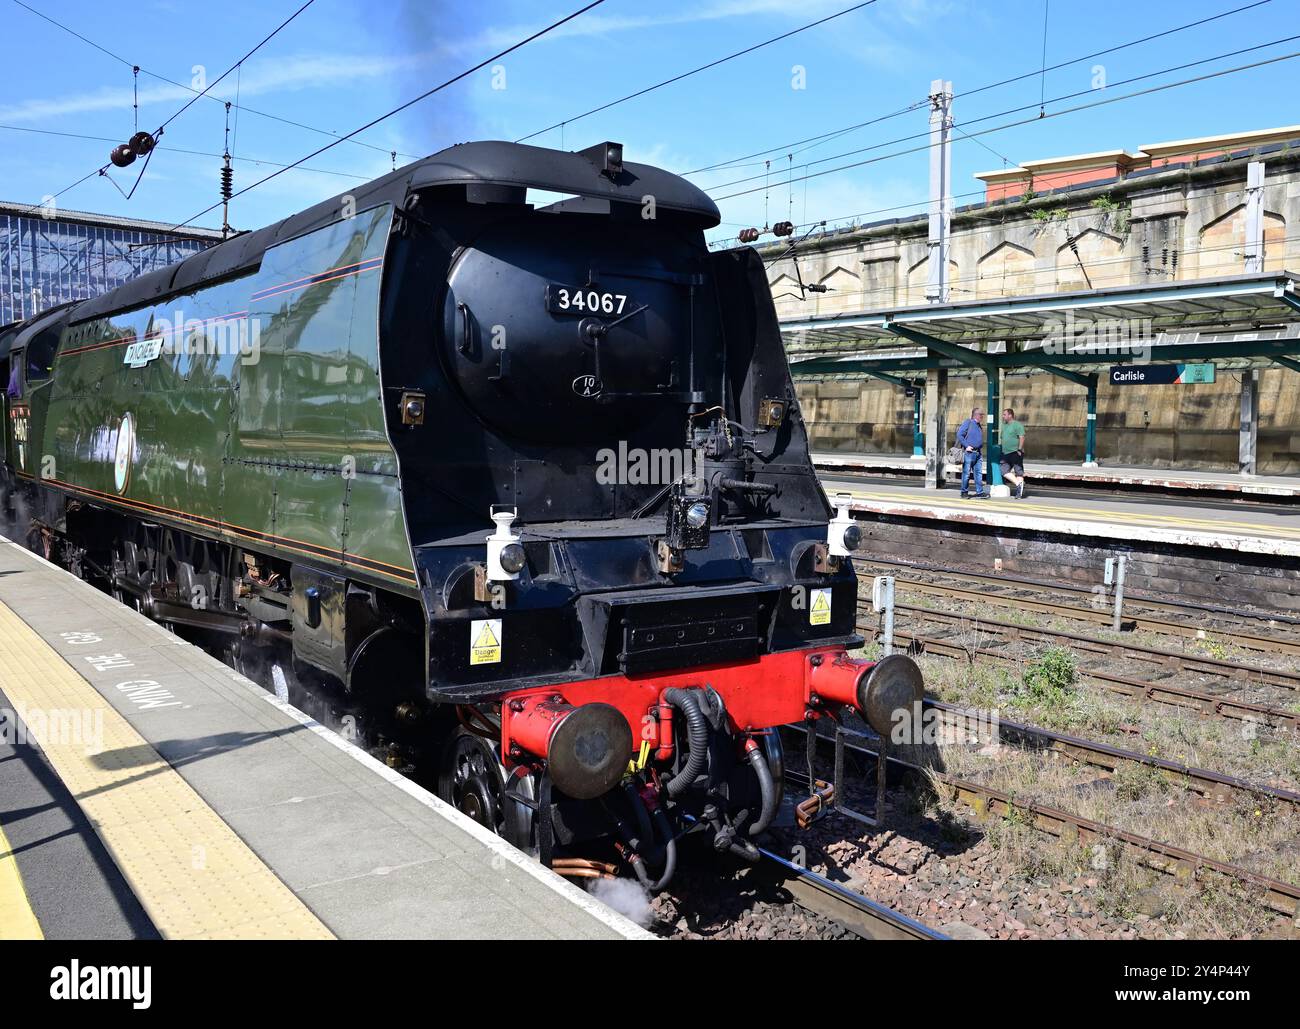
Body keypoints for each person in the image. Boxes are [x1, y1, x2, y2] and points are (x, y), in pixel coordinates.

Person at [956, 407, 988, 499]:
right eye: (981, 415)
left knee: (978, 473)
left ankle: (980, 492)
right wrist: (967, 446)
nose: (982, 417)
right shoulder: (968, 422)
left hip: (978, 453)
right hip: (969, 453)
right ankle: (964, 492)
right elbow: (959, 434)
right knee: (966, 474)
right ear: (976, 415)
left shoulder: (978, 425)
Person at [1000, 408, 1027, 499]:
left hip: (1016, 452)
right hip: (1006, 452)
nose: (1003, 416)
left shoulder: (1017, 425)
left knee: (1018, 472)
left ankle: (1019, 493)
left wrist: (1019, 449)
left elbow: (1022, 437)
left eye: (1004, 414)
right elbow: (1002, 437)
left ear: (1010, 415)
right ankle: (1019, 484)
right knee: (1003, 470)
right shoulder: (1004, 425)